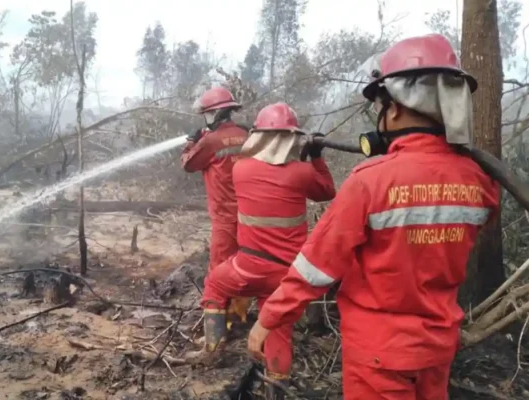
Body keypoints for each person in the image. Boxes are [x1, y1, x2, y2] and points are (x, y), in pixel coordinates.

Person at [247, 34, 501, 400]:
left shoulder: (370, 181)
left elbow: (316, 266)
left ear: (394, 107)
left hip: (379, 353)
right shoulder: (480, 180)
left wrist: (270, 318)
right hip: (438, 347)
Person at [188, 102, 336, 400]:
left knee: (216, 283)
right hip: (287, 276)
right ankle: (275, 389)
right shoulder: (303, 173)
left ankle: (212, 349)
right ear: (292, 138)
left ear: (259, 136)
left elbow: (248, 162)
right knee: (278, 328)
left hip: (248, 267)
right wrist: (315, 157)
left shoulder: (241, 170)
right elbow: (327, 192)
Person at [181, 86, 251, 326]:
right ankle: (238, 317)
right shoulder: (247, 134)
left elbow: (188, 165)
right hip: (252, 216)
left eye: (207, 115)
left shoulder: (210, 140)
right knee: (245, 267)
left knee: (218, 274)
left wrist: (192, 141)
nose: (206, 120)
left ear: (215, 114)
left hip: (225, 217)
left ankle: (215, 335)